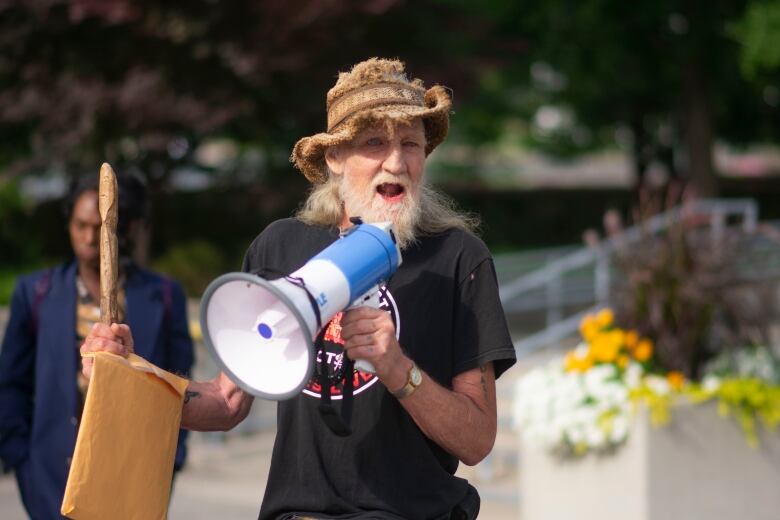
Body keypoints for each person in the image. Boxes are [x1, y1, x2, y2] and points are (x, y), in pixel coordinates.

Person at [81, 58, 517, 520]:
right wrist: (127, 375)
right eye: (374, 143)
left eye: (411, 143)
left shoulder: (458, 259)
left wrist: (397, 369)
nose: (396, 161)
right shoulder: (281, 247)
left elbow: (476, 440)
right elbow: (227, 402)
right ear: (334, 158)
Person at [0, 173, 195, 519]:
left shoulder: (162, 296)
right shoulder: (37, 294)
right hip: (51, 477)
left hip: (131, 472)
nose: (90, 238)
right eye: (80, 225)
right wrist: (21, 460)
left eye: (100, 228)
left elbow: (179, 381)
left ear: (129, 228)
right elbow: (11, 384)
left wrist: (171, 460)